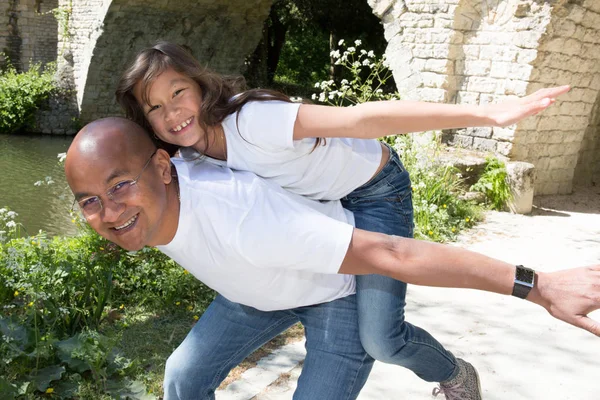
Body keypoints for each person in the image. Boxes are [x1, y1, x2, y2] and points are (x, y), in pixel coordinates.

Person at [114, 41, 571, 398]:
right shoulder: (184, 158)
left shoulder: (254, 124)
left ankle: (455, 372)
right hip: (315, 204)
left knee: (381, 339)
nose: (172, 113)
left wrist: (484, 114)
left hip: (372, 192)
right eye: (155, 107)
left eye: (178, 94)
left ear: (200, 86)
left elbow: (360, 120)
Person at [65, 118, 600, 400]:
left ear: (162, 167)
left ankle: (456, 373)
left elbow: (393, 253)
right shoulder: (166, 181)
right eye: (89, 200)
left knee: (383, 340)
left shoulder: (243, 217)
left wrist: (537, 284)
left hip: (337, 291)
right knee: (182, 376)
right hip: (260, 292)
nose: (109, 211)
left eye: (120, 186)